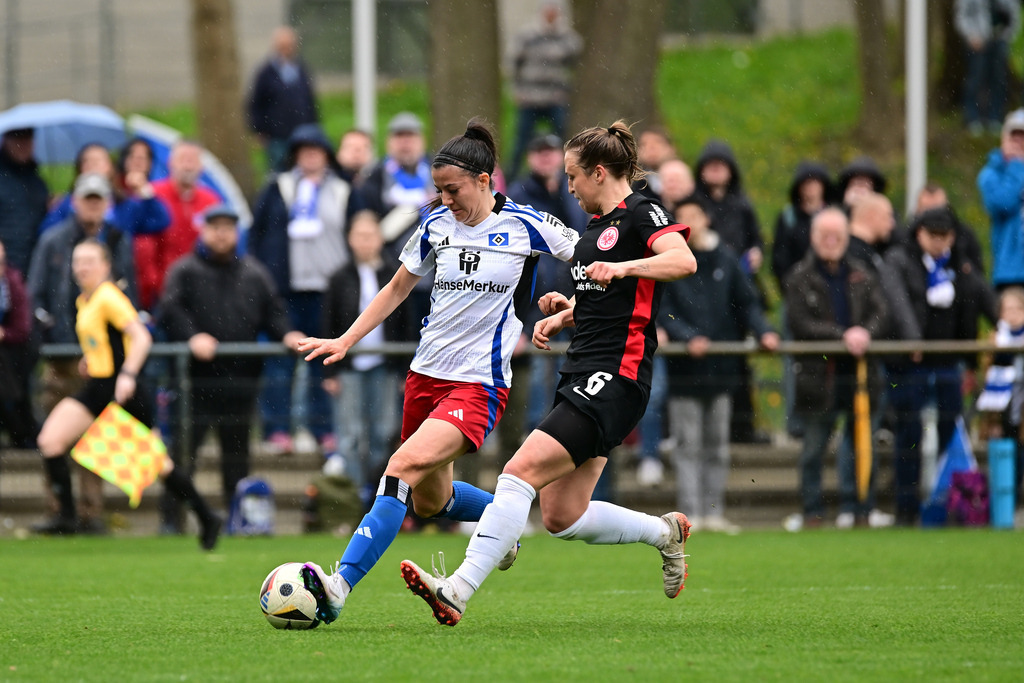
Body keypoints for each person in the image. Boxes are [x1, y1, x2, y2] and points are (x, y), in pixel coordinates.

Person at [399, 120, 697, 627]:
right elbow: (608, 297)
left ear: (599, 173)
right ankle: (664, 533)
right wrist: (566, 313)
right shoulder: (596, 226)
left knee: (517, 473)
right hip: (583, 368)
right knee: (562, 515)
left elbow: (682, 260)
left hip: (616, 376)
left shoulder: (642, 214)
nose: (569, 186)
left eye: (574, 176)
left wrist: (624, 268)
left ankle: (458, 589)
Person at [294, 118, 580, 625]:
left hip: (479, 383)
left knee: (398, 470)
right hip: (424, 377)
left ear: (485, 180)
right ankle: (503, 521)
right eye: (439, 191)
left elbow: (590, 258)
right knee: (431, 501)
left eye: (453, 190)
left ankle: (338, 587)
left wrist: (565, 306)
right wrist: (345, 339)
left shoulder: (527, 224)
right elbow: (396, 288)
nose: (445, 200)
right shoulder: (435, 227)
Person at [30, 239, 220, 549]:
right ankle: (66, 516)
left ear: (105, 266)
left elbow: (141, 337)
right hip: (98, 387)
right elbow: (104, 340)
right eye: (78, 261)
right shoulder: (85, 300)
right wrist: (89, 359)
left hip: (124, 391)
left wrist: (128, 375)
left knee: (160, 465)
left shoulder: (109, 297)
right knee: (50, 440)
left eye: (90, 261)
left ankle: (206, 515)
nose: (82, 267)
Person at [158, 204, 305, 512]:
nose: (222, 234)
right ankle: (172, 518)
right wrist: (192, 336)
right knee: (184, 453)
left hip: (240, 381)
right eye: (216, 227)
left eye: (228, 228)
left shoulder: (254, 272)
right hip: (194, 382)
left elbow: (273, 312)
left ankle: (236, 518)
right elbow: (169, 311)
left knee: (237, 456)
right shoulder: (184, 271)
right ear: (204, 230)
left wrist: (287, 334)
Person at [659, 195, 778, 533]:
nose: (691, 224)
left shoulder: (726, 258)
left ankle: (713, 511)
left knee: (717, 445)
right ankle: (690, 516)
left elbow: (748, 302)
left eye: (695, 216)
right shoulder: (670, 260)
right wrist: (687, 337)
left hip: (722, 369)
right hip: (686, 371)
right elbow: (664, 308)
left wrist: (765, 331)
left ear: (706, 218)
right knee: (688, 445)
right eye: (683, 218)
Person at [27, 173, 138, 534]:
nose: (93, 206)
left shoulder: (118, 242)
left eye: (98, 200)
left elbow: (128, 298)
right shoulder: (53, 241)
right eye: (87, 199)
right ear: (74, 202)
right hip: (63, 359)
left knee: (95, 443)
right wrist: (54, 330)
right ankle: (61, 511)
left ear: (107, 204)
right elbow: (37, 294)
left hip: (103, 364)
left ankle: (91, 513)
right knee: (55, 438)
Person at [250, 123, 363, 455]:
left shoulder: (343, 190)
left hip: (329, 292)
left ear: (326, 156)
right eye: (304, 152)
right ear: (295, 156)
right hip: (285, 291)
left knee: (324, 360)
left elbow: (358, 231)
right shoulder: (278, 188)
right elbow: (258, 235)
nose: (310, 157)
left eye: (316, 151)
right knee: (280, 361)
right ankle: (277, 429)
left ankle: (323, 427)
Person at [882, 207, 995, 526]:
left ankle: (949, 506)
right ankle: (906, 508)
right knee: (910, 434)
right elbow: (898, 301)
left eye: (945, 236)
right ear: (918, 233)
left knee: (951, 434)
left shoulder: (960, 265)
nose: (939, 242)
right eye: (932, 235)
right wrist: (913, 341)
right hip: (911, 365)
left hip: (948, 364)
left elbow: (980, 299)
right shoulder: (900, 260)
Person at [782, 208, 889, 531]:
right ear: (814, 238)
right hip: (819, 378)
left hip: (860, 376)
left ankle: (859, 510)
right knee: (814, 449)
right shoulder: (799, 277)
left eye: (837, 236)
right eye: (825, 236)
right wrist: (842, 335)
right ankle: (812, 512)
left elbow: (882, 313)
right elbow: (800, 323)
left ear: (846, 238)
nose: (831, 242)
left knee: (862, 446)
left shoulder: (863, 273)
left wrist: (865, 332)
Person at [320, 211, 409, 498]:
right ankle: (355, 494)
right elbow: (328, 325)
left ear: (380, 238)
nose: (365, 241)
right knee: (350, 435)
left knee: (384, 431)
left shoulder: (396, 275)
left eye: (370, 235)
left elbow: (407, 326)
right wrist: (330, 372)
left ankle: (378, 492)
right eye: (359, 235)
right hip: (349, 369)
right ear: (349, 239)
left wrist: (405, 370)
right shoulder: (338, 278)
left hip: (385, 367)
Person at [693, 139, 765, 444]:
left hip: (737, 287)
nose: (716, 172)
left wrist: (756, 253)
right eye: (710, 166)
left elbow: (757, 240)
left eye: (721, 166)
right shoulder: (695, 206)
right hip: (703, 289)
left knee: (740, 363)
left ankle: (743, 428)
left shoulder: (742, 205)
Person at [136, 140, 221, 314]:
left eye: (193, 159)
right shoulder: (153, 195)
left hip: (203, 291)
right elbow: (143, 246)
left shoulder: (211, 201)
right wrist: (153, 285)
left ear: (202, 166)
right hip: (161, 291)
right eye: (183, 159)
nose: (188, 165)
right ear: (170, 163)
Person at [506, 1, 582, 179]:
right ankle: (513, 178)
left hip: (555, 98)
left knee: (563, 139)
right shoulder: (527, 36)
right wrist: (515, 90)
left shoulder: (567, 37)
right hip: (530, 98)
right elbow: (513, 63)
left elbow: (577, 59)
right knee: (521, 141)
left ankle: (566, 177)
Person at [39, 142, 170, 238]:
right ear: (80, 170)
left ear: (110, 167)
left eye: (99, 160)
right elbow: (47, 233)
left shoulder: (123, 205)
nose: (93, 165)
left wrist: (145, 192)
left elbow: (160, 221)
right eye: (87, 161)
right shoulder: (68, 205)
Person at [975, 287, 1024, 513]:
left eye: (1018, 308)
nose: (1013, 314)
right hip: (1002, 406)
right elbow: (987, 372)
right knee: (1006, 449)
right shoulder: (996, 339)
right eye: (1008, 309)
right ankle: (1006, 503)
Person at [247, 26, 319, 172]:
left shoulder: (302, 69)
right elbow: (256, 102)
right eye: (283, 46)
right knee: (278, 171)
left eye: (290, 45)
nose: (287, 49)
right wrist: (258, 130)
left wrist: (314, 126)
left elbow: (310, 100)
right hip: (276, 135)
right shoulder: (266, 73)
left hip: (302, 133)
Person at [954, 0, 1020, 136]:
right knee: (975, 79)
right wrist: (972, 36)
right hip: (977, 41)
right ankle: (973, 119)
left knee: (999, 80)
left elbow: (1014, 14)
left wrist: (1006, 36)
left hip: (1000, 40)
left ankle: (995, 118)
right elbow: (961, 16)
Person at [978, 108, 1024, 291]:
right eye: (1015, 137)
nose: (1019, 143)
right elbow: (1003, 204)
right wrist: (1017, 167)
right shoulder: (990, 174)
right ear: (1004, 139)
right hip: (1010, 272)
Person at [0, 238, 37, 449]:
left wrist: (128, 376)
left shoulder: (12, 283)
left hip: (13, 357)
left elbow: (22, 328)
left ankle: (22, 433)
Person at [0, 128, 48, 275]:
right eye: (18, 140)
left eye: (28, 140)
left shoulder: (38, 182)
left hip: (33, 262)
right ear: (6, 142)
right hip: (5, 262)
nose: (23, 145)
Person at [913, 181, 985, 277]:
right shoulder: (906, 243)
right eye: (927, 210)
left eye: (938, 209)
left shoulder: (964, 237)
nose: (933, 218)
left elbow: (978, 279)